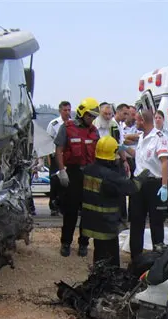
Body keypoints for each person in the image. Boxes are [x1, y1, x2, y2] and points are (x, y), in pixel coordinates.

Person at [81, 136, 148, 267]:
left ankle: (98, 274)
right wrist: (142, 176)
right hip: (106, 223)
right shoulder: (110, 176)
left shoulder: (88, 170)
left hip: (91, 221)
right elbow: (131, 187)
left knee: (99, 251)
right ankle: (108, 279)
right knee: (110, 257)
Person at [53, 97, 100, 257]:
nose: (91, 119)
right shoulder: (67, 128)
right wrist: (62, 171)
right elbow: (58, 150)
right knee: (70, 211)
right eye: (89, 116)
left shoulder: (94, 131)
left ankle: (83, 243)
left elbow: (98, 153)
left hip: (90, 175)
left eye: (94, 117)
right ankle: (65, 243)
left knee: (87, 212)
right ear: (82, 112)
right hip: (73, 173)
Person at [128, 109, 168, 257]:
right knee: (136, 221)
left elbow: (164, 162)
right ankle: (135, 256)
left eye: (137, 120)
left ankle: (158, 257)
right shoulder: (142, 137)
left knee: (156, 223)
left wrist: (164, 185)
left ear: (143, 121)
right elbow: (141, 158)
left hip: (155, 183)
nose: (135, 122)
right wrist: (124, 149)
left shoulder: (159, 138)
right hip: (139, 182)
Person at [46, 100, 72, 216]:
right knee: (55, 182)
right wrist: (48, 159)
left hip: (68, 156)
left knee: (67, 183)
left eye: (69, 110)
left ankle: (63, 205)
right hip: (55, 155)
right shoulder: (54, 124)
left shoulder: (73, 124)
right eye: (65, 110)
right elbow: (48, 142)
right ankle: (53, 206)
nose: (67, 112)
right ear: (60, 111)